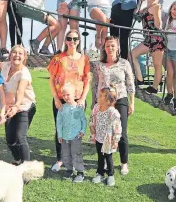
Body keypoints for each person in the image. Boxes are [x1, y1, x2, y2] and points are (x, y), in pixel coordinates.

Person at [91, 36, 135, 175]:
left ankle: (123, 162)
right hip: (103, 102)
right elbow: (95, 84)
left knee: (121, 132)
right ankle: (104, 159)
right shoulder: (99, 65)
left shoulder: (124, 63)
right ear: (104, 48)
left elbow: (130, 83)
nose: (110, 48)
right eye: (107, 45)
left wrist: (132, 102)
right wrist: (94, 102)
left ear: (117, 48)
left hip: (120, 99)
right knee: (102, 131)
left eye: (113, 46)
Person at [47, 29, 90, 172]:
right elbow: (51, 79)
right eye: (69, 38)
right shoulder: (58, 58)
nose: (72, 41)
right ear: (65, 41)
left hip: (78, 100)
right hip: (61, 99)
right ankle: (60, 159)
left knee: (77, 130)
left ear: (79, 41)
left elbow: (87, 80)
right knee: (61, 129)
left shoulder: (84, 59)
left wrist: (83, 99)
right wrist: (56, 99)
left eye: (75, 39)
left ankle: (74, 158)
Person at [0, 45, 36, 165]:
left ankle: (27, 169)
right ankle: (18, 160)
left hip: (25, 107)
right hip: (9, 106)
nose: (17, 55)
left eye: (20, 53)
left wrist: (16, 106)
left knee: (20, 137)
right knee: (10, 140)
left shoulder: (24, 74)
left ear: (24, 57)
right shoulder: (5, 66)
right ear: (10, 55)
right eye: (14, 52)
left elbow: (20, 91)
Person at [129, 0, 164, 93]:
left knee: (157, 64)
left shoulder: (156, 7)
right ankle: (139, 79)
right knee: (131, 55)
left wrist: (157, 13)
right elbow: (136, 15)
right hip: (148, 39)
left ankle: (154, 87)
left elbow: (158, 26)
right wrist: (139, 2)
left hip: (157, 39)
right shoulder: (145, 9)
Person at [89, 86, 122, 187]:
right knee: (100, 157)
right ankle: (100, 173)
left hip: (108, 140)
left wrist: (115, 140)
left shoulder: (112, 112)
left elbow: (117, 128)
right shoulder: (96, 108)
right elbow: (92, 117)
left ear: (108, 101)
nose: (97, 97)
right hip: (98, 137)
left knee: (108, 157)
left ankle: (110, 175)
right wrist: (91, 126)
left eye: (100, 96)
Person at [56, 84, 87, 183]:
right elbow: (59, 122)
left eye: (68, 94)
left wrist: (82, 131)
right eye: (63, 95)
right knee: (66, 154)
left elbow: (83, 120)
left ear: (74, 94)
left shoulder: (78, 107)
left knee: (76, 153)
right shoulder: (62, 108)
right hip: (65, 137)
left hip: (76, 136)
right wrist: (60, 135)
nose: (65, 97)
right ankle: (69, 170)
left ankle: (80, 172)